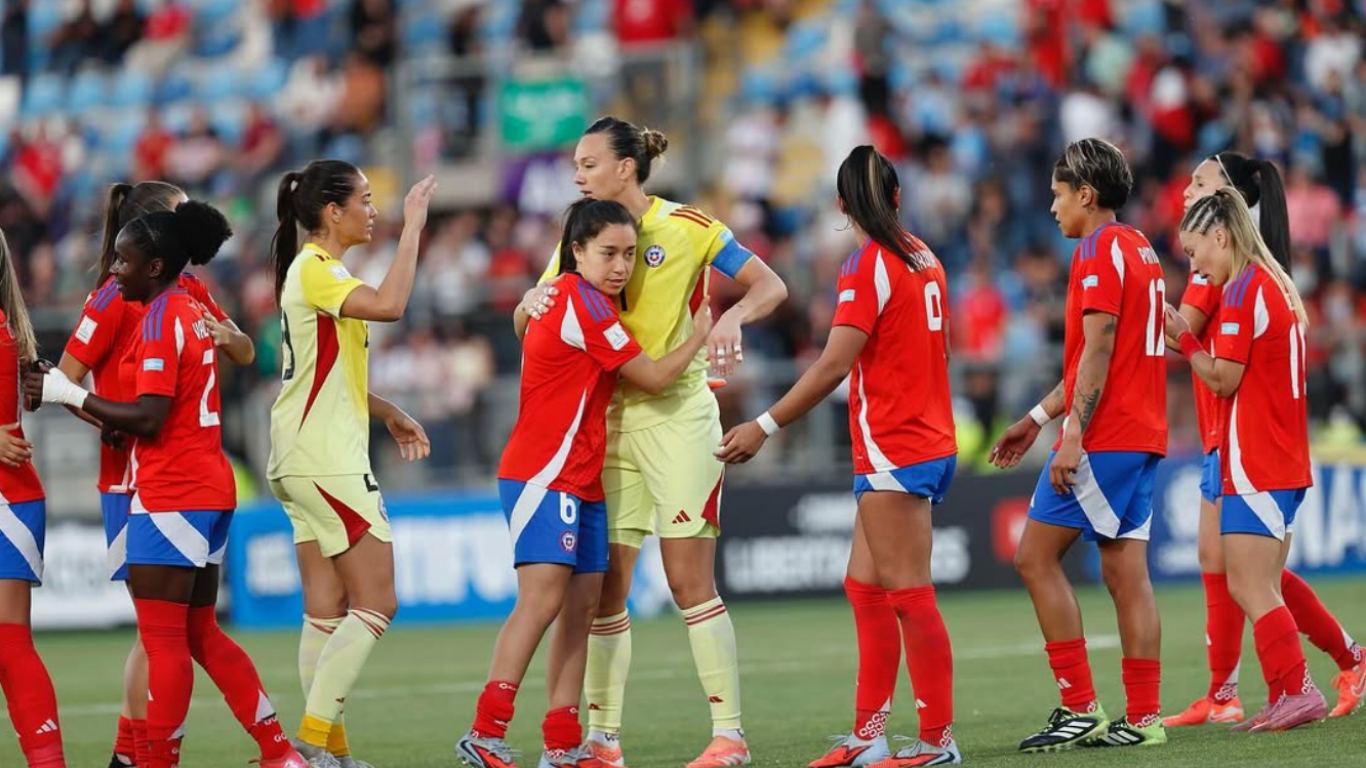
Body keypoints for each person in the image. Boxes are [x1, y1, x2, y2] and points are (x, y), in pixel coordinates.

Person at [517, 117, 787, 768]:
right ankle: (603, 740)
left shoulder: (689, 229)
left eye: (587, 163)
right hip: (607, 424)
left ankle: (731, 736)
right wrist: (529, 301)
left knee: (688, 578)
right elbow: (538, 314)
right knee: (607, 587)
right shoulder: (582, 237)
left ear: (625, 169)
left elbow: (770, 286)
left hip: (678, 417)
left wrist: (729, 317)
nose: (577, 174)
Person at [27, 202, 305, 768]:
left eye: (122, 263)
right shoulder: (179, 303)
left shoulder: (161, 314)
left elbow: (147, 415)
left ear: (154, 264)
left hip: (165, 485)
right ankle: (278, 753)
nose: (113, 273)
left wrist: (67, 395)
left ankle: (149, 760)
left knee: (162, 641)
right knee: (195, 632)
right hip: (207, 481)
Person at [716, 146, 960, 768]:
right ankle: (869, 735)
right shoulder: (925, 257)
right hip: (922, 436)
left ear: (842, 206)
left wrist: (764, 425)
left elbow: (833, 363)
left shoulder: (868, 264)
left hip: (895, 445)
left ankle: (937, 743)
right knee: (866, 586)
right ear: (898, 197)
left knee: (909, 594)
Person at [458, 199, 714, 768]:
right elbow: (649, 378)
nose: (621, 266)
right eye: (608, 253)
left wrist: (525, 305)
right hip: (544, 473)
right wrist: (699, 336)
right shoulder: (580, 299)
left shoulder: (583, 300)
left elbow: (530, 325)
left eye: (628, 254)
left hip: (582, 479)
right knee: (542, 602)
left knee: (583, 609)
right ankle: (484, 732)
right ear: (576, 253)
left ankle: (561, 742)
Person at [56, 180, 255, 768]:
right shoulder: (112, 297)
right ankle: (136, 753)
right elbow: (66, 378)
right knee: (159, 632)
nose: (193, 217)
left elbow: (243, 349)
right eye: (182, 209)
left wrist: (231, 337)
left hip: (174, 472)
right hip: (131, 476)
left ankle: (131, 754)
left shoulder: (188, 291)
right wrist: (108, 425)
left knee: (160, 631)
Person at [1163, 152, 1364, 727]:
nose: (1195, 265)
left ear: (1222, 225)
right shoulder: (1270, 278)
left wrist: (1181, 333)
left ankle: (1289, 688)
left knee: (1246, 581)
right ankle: (1290, 683)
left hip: (1250, 453)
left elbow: (1219, 369)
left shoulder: (1240, 285)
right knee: (1254, 578)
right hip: (1274, 453)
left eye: (1197, 251)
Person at [989, 138, 1168, 750]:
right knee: (1126, 575)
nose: (1052, 208)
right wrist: (1035, 417)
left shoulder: (1096, 251)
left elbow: (1099, 347)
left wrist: (1070, 437)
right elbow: (1099, 357)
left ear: (1086, 195)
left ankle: (1078, 707)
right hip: (1142, 433)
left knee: (1034, 559)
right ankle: (1144, 719)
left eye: (1058, 195)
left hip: (1106, 437)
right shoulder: (1141, 249)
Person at [267, 161, 437, 768]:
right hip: (326, 459)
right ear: (333, 213)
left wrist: (385, 409)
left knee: (325, 612)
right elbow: (392, 305)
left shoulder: (314, 271)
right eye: (365, 199)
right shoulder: (316, 269)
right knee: (378, 600)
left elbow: (326, 371)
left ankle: (329, 754)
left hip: (297, 456)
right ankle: (310, 745)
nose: (374, 208)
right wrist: (414, 226)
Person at [0, 227, 66, 768]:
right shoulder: (9, 330)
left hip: (7, 498)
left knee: (11, 644)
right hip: (16, 496)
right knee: (12, 644)